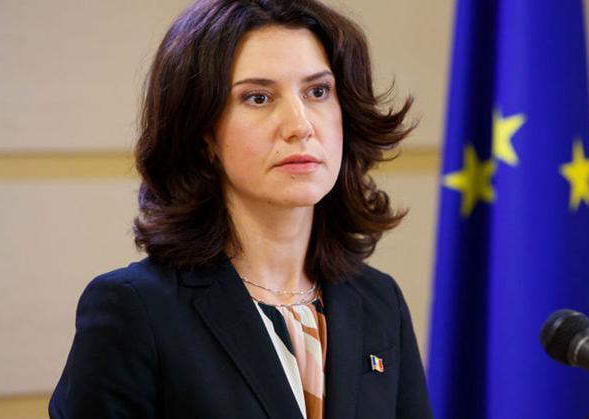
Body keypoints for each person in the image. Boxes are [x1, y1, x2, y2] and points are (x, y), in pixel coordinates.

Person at [49, 0, 432, 418]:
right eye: (258, 97)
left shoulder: (379, 300)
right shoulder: (135, 309)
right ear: (203, 133)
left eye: (318, 91)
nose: (300, 125)